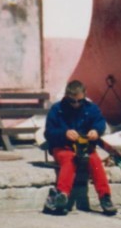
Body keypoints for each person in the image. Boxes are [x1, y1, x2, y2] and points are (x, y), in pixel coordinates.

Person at [44, 80, 116, 215]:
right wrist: (64, 134)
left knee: (95, 163)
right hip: (63, 147)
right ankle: (62, 194)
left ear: (84, 96)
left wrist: (96, 131)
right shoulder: (56, 109)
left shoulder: (92, 109)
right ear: (66, 96)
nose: (76, 104)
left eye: (79, 101)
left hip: (85, 147)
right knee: (70, 160)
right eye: (72, 101)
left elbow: (100, 123)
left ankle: (105, 197)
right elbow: (49, 132)